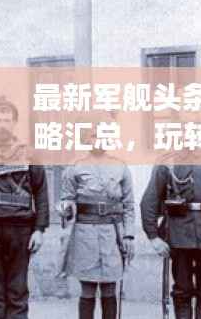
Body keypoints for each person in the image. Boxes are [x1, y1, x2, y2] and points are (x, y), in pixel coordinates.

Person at [140, 148, 201, 319]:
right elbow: (149, 200)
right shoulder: (167, 161)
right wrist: (153, 237)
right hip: (178, 235)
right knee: (182, 291)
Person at [0, 99, 49, 318]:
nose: (2, 125)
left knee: (17, 289)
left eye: (7, 120)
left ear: (14, 122)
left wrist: (39, 230)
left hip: (20, 229)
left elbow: (41, 192)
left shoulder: (29, 154)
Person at [57, 127, 136, 319]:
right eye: (94, 135)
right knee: (88, 286)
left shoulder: (121, 167)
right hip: (85, 233)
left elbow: (128, 205)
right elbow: (66, 199)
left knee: (110, 286)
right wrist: (65, 209)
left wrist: (129, 235)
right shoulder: (75, 167)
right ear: (86, 138)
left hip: (112, 232)